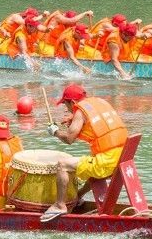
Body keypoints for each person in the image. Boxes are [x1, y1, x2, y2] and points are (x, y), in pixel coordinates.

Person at [43, 84, 129, 222]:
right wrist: (73, 119)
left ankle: (59, 205)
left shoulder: (79, 112)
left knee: (62, 165)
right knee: (90, 165)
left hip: (107, 162)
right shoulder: (100, 102)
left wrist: (55, 132)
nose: (68, 109)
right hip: (123, 157)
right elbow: (99, 122)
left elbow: (69, 139)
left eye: (66, 105)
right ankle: (78, 196)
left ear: (72, 102)